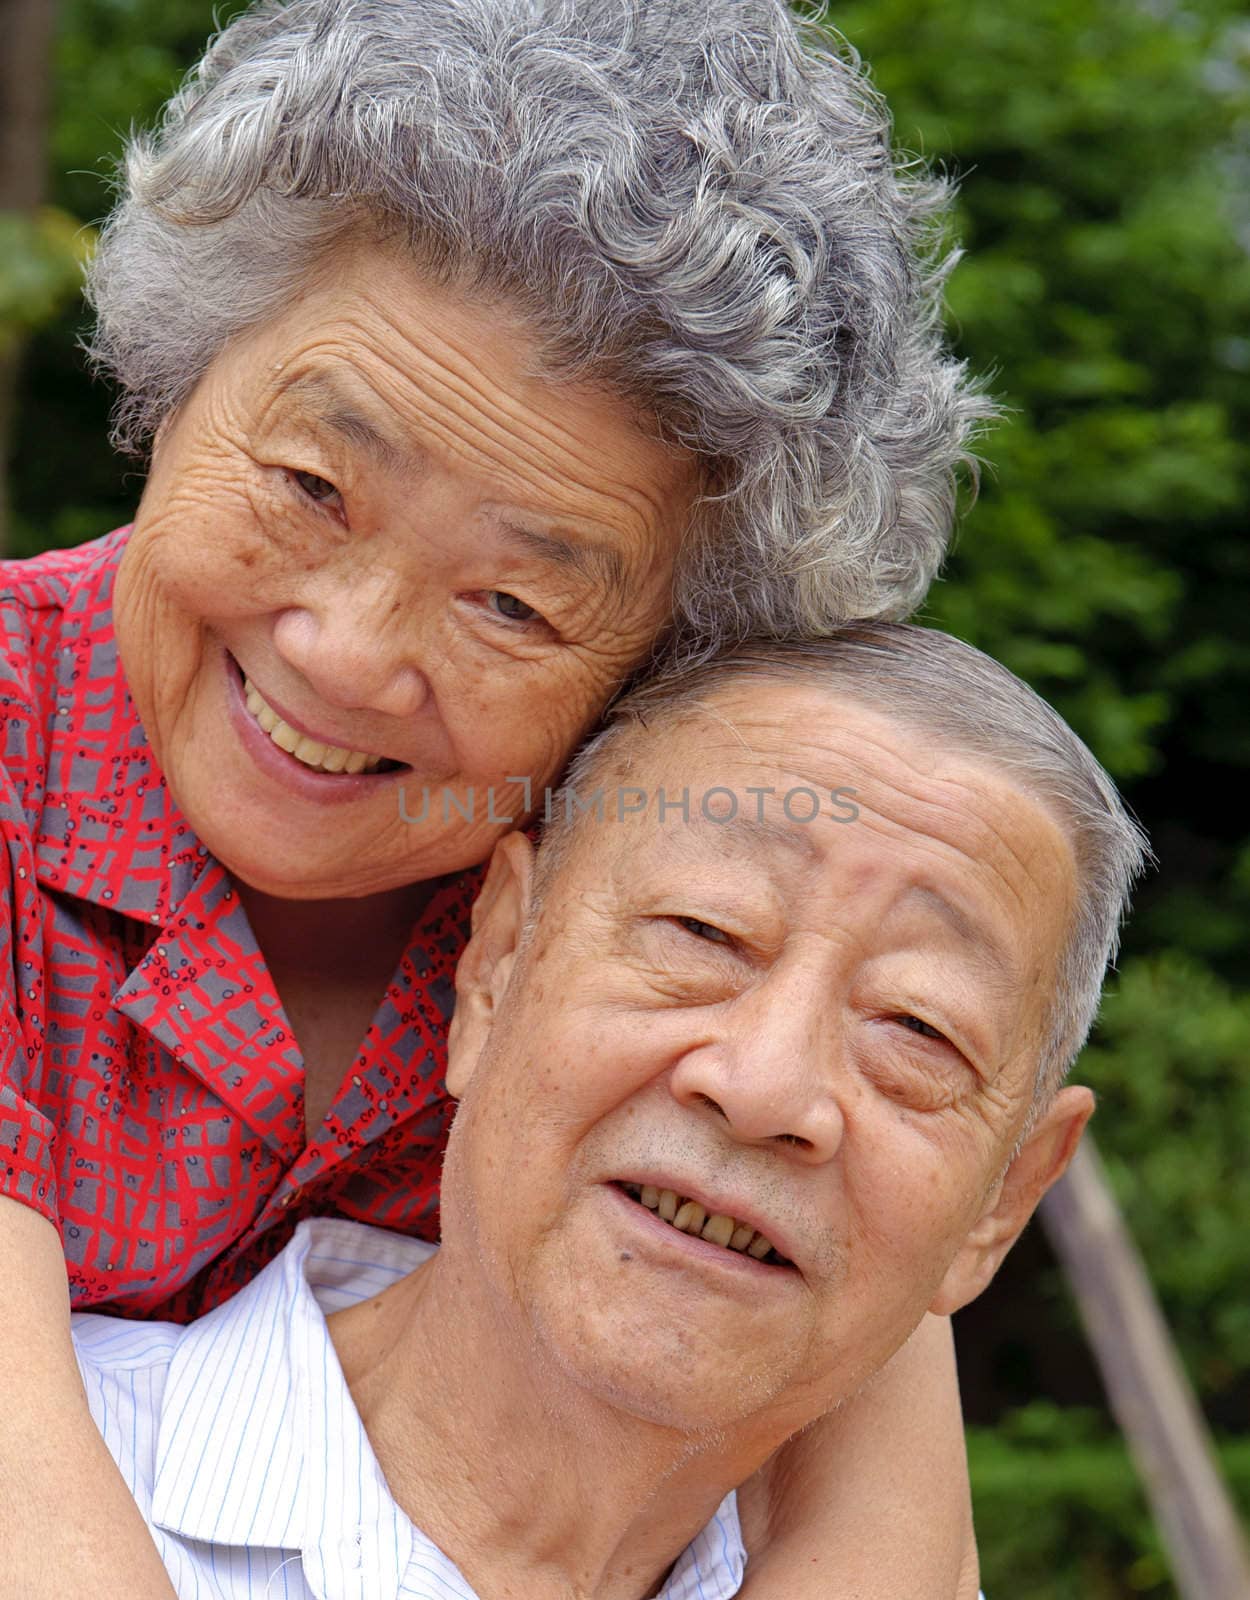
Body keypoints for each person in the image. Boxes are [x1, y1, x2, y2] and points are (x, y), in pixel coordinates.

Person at [1, 2, 993, 1593]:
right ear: (180, 374)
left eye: (514, 606)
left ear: (663, 669)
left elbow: (879, 1529)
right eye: (311, 486)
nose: (344, 652)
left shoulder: (658, 923)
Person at [71, 623, 1147, 1598]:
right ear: (493, 965)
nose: (763, 1086)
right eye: (701, 932)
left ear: (1000, 1205)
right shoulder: (54, 1474)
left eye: (915, 1026)